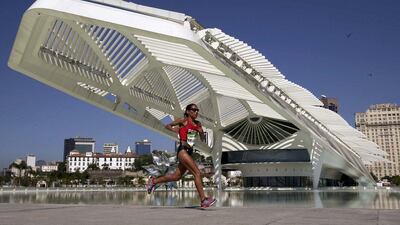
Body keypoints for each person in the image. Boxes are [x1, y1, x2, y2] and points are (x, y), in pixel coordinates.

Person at [146, 103, 216, 209]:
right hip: (182, 151)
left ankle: (153, 181)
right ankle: (203, 200)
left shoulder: (198, 124)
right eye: (193, 110)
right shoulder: (183, 121)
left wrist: (201, 133)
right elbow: (167, 125)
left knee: (176, 177)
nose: (196, 112)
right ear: (188, 111)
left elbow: (202, 139)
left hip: (189, 152)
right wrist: (176, 130)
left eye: (197, 110)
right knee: (197, 173)